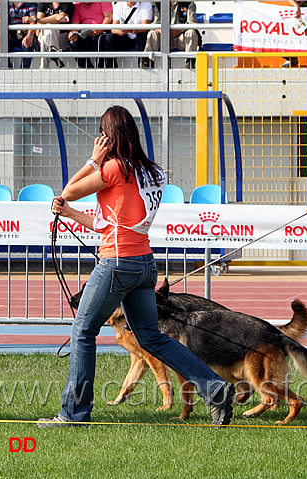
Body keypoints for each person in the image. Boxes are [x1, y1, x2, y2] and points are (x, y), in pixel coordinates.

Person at [38, 106, 234, 427]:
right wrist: (72, 214)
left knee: (83, 331)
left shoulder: (114, 168)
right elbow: (109, 223)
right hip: (144, 264)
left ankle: (73, 414)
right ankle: (215, 389)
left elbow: (70, 190)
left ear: (109, 137)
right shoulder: (150, 171)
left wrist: (93, 160)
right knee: (151, 338)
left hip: (117, 263)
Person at [142, 2, 201, 69]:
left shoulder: (188, 3)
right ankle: (148, 61)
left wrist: (179, 30)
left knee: (191, 32)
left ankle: (190, 61)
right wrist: (160, 30)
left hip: (181, 37)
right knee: (152, 33)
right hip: (164, 37)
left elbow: (192, 23)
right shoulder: (160, 4)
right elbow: (155, 24)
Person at [102, 1, 153, 68]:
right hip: (124, 37)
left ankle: (143, 65)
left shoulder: (146, 4)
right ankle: (111, 68)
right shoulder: (118, 5)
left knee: (142, 35)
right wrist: (119, 31)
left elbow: (145, 27)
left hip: (139, 37)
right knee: (110, 38)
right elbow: (113, 29)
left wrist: (130, 30)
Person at [67, 1, 112, 68]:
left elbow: (108, 17)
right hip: (86, 34)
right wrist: (72, 34)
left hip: (101, 32)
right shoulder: (77, 5)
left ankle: (99, 68)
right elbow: (74, 25)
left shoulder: (103, 1)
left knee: (100, 39)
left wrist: (100, 29)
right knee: (73, 42)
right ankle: (88, 69)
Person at [0, 2, 38, 69]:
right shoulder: (5, 2)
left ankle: (24, 72)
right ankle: (7, 69)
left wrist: (29, 35)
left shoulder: (30, 2)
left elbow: (33, 19)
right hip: (9, 35)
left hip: (25, 34)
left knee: (29, 43)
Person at [34, 2, 74, 68]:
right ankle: (56, 53)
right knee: (48, 30)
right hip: (43, 34)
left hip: (61, 37)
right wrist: (54, 18)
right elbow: (39, 25)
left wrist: (42, 20)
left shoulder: (68, 4)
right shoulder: (43, 3)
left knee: (49, 30)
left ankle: (43, 70)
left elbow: (58, 20)